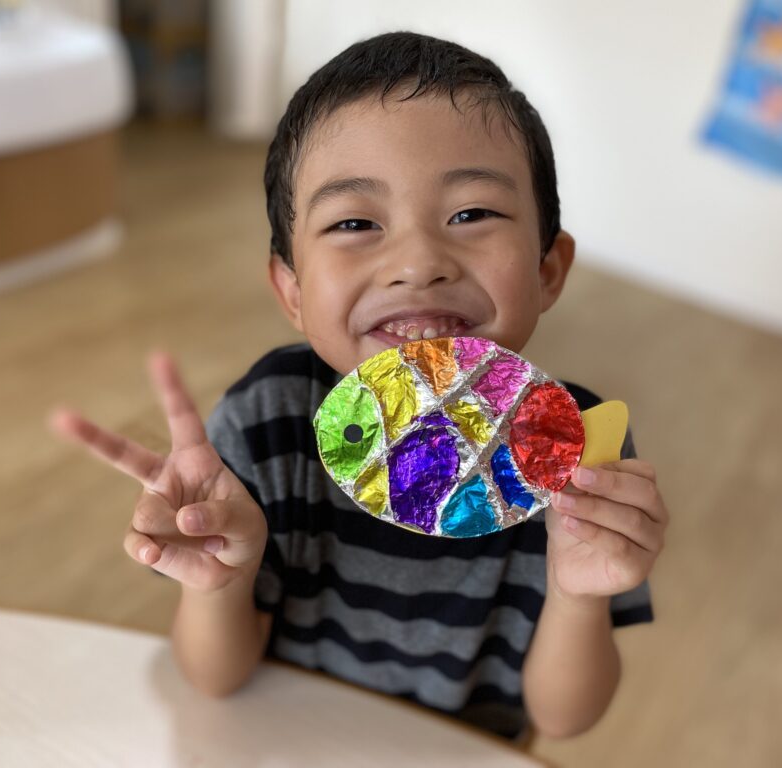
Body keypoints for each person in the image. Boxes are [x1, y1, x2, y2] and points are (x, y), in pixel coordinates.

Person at [52, 31, 669, 742]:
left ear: (547, 270)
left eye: (472, 213)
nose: (418, 262)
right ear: (292, 291)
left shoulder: (576, 446)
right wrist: (223, 578)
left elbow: (563, 719)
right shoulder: (268, 420)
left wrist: (575, 590)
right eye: (354, 223)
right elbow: (215, 679)